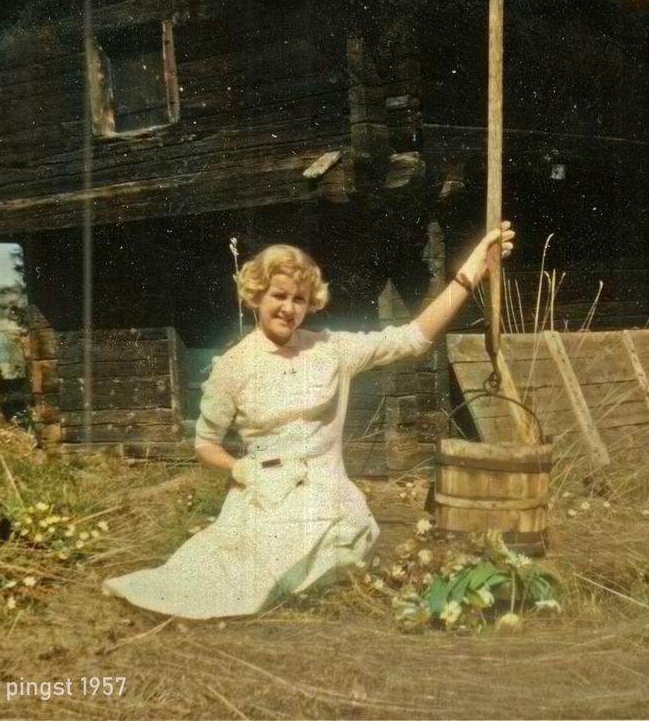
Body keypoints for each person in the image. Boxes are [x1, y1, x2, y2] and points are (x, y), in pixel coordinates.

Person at [101, 222, 516, 619]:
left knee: (325, 553)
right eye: (279, 296)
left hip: (329, 500)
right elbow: (205, 444)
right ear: (256, 296)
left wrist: (470, 273)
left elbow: (411, 338)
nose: (288, 308)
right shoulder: (233, 366)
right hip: (266, 496)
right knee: (233, 579)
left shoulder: (330, 350)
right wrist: (241, 469)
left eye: (299, 299)